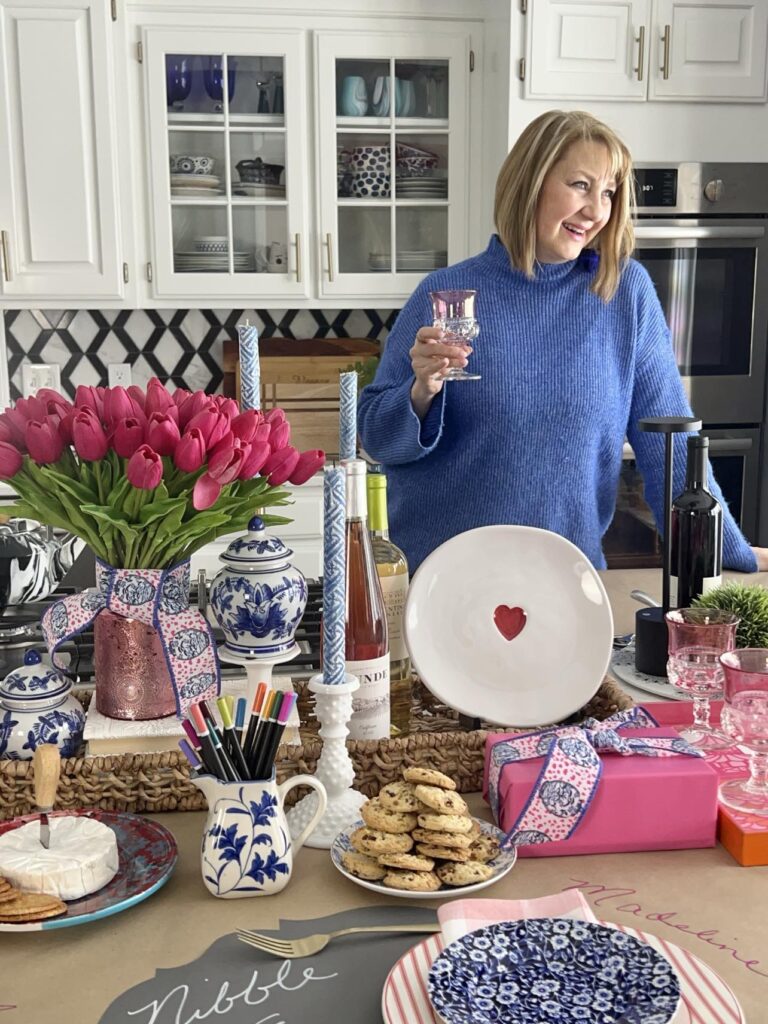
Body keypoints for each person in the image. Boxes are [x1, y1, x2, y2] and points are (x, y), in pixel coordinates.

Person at [357, 109, 768, 575]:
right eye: (580, 186)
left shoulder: (623, 293)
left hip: (566, 583)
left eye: (608, 193)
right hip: (444, 582)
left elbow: (671, 446)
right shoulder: (445, 294)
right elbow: (376, 436)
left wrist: (726, 549)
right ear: (531, 182)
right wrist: (421, 393)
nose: (596, 211)